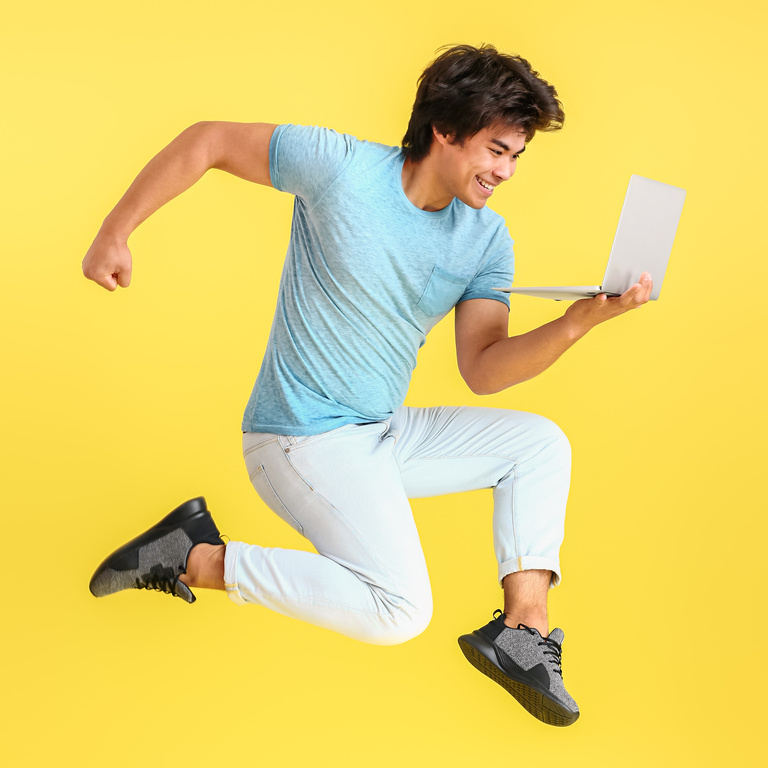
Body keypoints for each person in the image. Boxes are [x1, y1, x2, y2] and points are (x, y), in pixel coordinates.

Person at [84, 44, 652, 727]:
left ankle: (523, 635)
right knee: (400, 612)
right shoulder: (341, 168)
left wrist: (579, 321)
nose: (504, 171)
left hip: (378, 432)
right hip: (298, 438)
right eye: (496, 150)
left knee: (539, 444)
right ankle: (194, 558)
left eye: (515, 157)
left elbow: (484, 367)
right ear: (444, 129)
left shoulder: (484, 238)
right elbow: (206, 141)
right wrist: (115, 232)